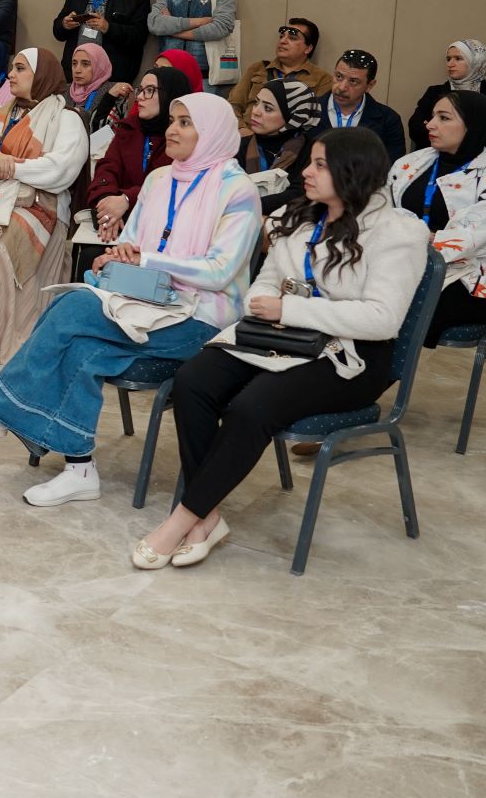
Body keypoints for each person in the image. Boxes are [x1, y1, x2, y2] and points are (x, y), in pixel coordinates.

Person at [0, 93, 260, 506]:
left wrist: (147, 258)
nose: (172, 130)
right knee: (84, 349)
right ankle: (80, 470)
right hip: (142, 303)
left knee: (73, 307)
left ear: (212, 132)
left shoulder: (238, 191)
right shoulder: (161, 179)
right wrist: (119, 253)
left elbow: (220, 271)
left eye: (184, 123)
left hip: (199, 320)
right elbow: (132, 241)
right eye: (173, 120)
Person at [134, 129, 429, 567]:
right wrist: (272, 302)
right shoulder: (303, 216)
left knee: (251, 408)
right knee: (193, 381)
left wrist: (289, 308)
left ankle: (182, 520)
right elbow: (267, 281)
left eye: (320, 165)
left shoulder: (398, 232)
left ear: (354, 170)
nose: (306, 173)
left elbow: (382, 318)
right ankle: (207, 516)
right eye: (309, 162)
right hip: (278, 339)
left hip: (350, 357)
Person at [0, 49, 89, 368]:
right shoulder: (1, 111)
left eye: (20, 69)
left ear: (42, 76)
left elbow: (59, 171)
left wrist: (11, 169)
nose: (10, 74)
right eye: (11, 68)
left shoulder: (66, 118)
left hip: (40, 207)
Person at [389, 90, 486, 345]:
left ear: (473, 125)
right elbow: (383, 211)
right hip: (408, 261)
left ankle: (375, 376)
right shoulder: (410, 164)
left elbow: (471, 239)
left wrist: (409, 235)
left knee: (399, 310)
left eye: (443, 118)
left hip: (473, 279)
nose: (430, 124)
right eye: (432, 117)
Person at [82, 64, 194, 242]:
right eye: (140, 90)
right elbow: (107, 169)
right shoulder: (129, 128)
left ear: (170, 95)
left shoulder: (182, 138)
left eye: (150, 90)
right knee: (91, 253)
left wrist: (127, 199)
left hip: (163, 231)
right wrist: (108, 206)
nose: (140, 97)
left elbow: (173, 186)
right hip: (118, 222)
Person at [147, 0, 238, 91]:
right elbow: (154, 23)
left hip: (206, 78)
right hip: (167, 75)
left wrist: (173, 30)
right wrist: (199, 21)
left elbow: (222, 27)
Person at [406, 39, 486, 152]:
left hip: (479, 160)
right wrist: (468, 133)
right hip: (435, 155)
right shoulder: (434, 92)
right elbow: (415, 129)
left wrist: (440, 132)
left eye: (458, 58)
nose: (450, 64)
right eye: (448, 59)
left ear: (475, 61)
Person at [228, 17, 332, 122]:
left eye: (292, 38)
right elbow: (233, 105)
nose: (282, 41)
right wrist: (242, 129)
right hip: (247, 133)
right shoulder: (258, 68)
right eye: (281, 36)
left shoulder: (322, 79)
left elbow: (316, 119)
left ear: (308, 48)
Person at [240, 77, 319, 213]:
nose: (256, 112)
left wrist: (246, 206)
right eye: (256, 102)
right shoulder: (240, 146)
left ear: (293, 116)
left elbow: (299, 195)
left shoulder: (311, 150)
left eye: (268, 108)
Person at [312, 47, 404, 158]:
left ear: (370, 85)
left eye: (353, 81)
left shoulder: (389, 120)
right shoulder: (309, 109)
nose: (341, 87)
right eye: (339, 77)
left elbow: (393, 166)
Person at [65, 41, 123, 137]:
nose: (77, 70)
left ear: (99, 66)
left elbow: (107, 133)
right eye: (74, 63)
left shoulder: (114, 93)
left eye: (85, 64)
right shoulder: (64, 91)